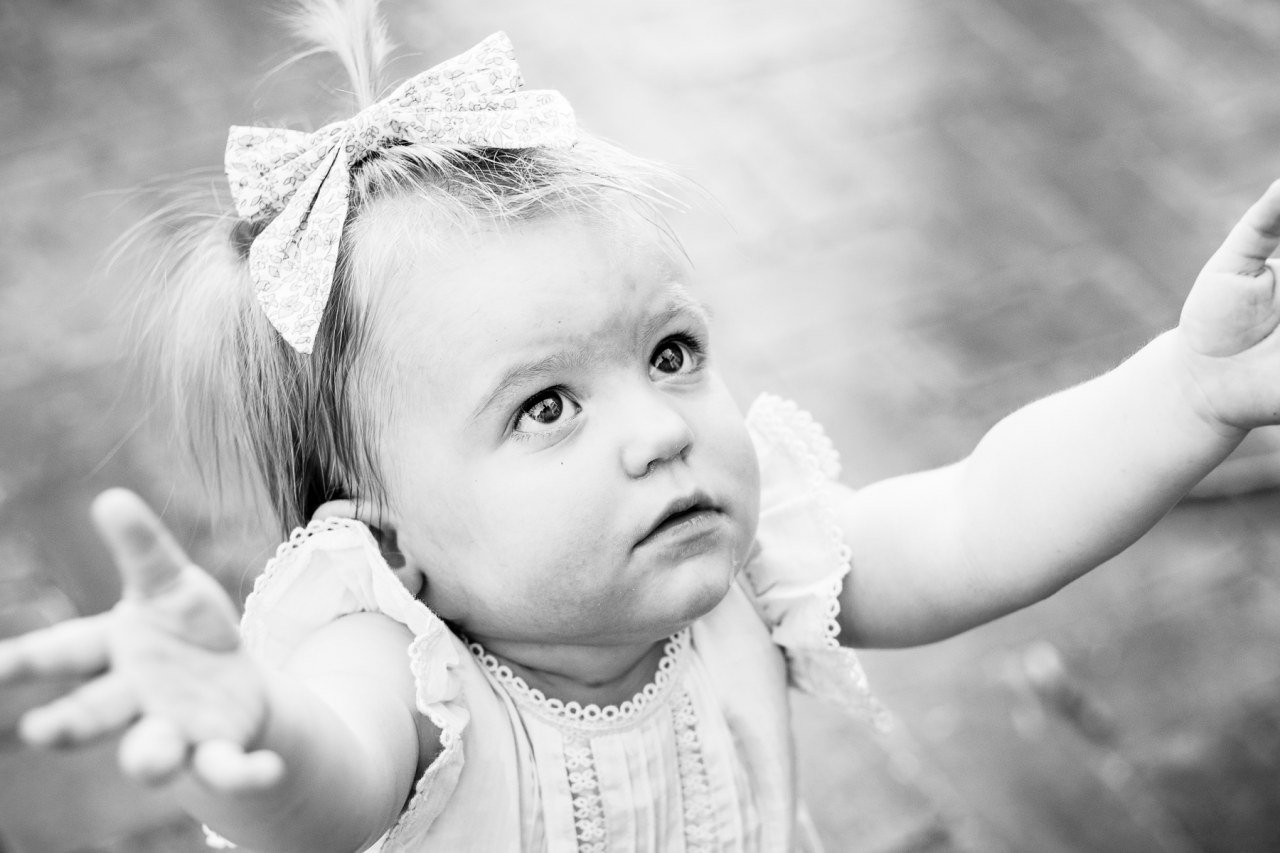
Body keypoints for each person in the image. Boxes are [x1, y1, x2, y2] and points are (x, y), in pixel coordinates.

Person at [4, 2, 1280, 850]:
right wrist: (251, 733)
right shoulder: (393, 668)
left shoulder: (744, 569)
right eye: (545, 405)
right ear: (389, 537)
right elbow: (327, 785)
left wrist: (1182, 390)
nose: (659, 430)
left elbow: (975, 513)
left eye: (668, 353)